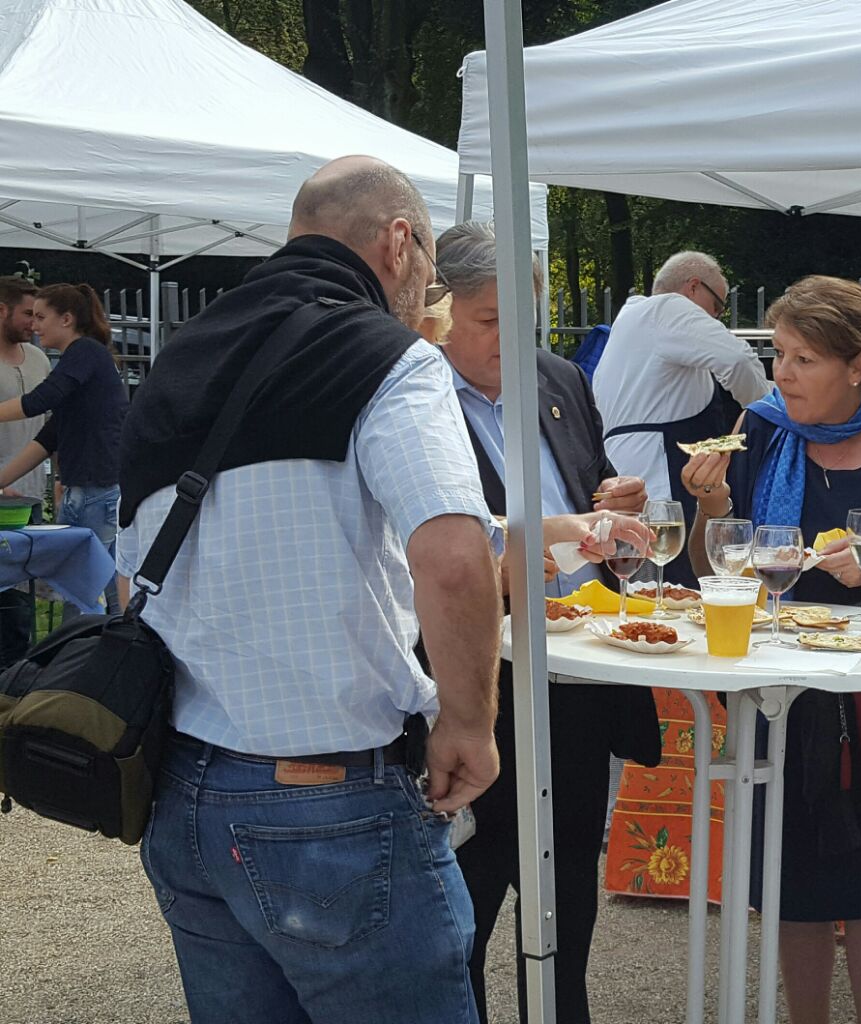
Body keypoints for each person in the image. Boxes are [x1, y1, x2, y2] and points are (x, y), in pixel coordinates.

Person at [115, 156, 504, 1024]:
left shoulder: (184, 352)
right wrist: (470, 725)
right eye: (431, 272)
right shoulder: (388, 356)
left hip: (183, 788)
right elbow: (452, 556)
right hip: (328, 800)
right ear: (398, 243)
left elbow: (127, 563)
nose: (427, 296)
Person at [681, 275, 861, 1024]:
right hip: (782, 697)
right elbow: (718, 577)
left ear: (857, 364)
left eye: (802, 359)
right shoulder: (760, 435)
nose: (781, 374)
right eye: (778, 355)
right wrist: (711, 503)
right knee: (790, 885)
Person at [433, 220, 664, 1024]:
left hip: (573, 672)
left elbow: (588, 490)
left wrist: (614, 504)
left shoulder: (559, 378)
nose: (509, 342)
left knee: (567, 884)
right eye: (489, 322)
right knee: (465, 893)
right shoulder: (410, 394)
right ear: (438, 312)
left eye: (519, 320)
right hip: (470, 680)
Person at [592, 251, 771, 578]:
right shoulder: (668, 309)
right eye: (717, 306)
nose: (716, 319)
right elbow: (738, 360)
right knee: (667, 592)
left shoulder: (632, 321)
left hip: (621, 478)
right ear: (693, 287)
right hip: (658, 486)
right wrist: (773, 413)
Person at [0, 282, 128, 614]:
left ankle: (81, 660)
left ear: (67, 319)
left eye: (41, 316)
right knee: (103, 592)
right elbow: (48, 438)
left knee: (83, 596)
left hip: (94, 492)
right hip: (88, 490)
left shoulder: (84, 353)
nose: (35, 325)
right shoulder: (83, 361)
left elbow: (38, 401)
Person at [0, 276, 50, 663]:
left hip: (29, 495)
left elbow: (54, 423)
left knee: (22, 596)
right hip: (3, 495)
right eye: (27, 314)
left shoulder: (38, 358)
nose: (34, 324)